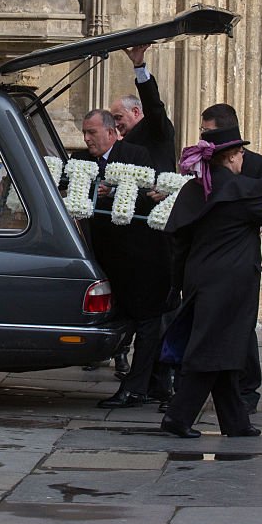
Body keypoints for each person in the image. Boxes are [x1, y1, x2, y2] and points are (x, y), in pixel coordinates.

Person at [158, 126, 262, 438]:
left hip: (200, 279)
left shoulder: (195, 190)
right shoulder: (241, 191)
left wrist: (176, 282)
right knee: (212, 351)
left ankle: (235, 422)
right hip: (231, 284)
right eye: (239, 153)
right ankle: (178, 417)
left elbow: (178, 241)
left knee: (225, 349)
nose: (242, 157)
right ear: (230, 157)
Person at [71, 110, 174, 406]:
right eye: (84, 132)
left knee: (148, 322)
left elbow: (148, 196)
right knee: (128, 320)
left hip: (143, 256)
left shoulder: (136, 155)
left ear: (112, 131)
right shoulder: (81, 160)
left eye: (92, 132)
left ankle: (136, 388)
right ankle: (155, 384)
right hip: (106, 258)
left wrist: (114, 192)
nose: (87, 138)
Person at [200, 102, 262, 413]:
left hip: (241, 258)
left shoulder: (256, 165)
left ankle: (247, 391)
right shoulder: (202, 163)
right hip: (207, 257)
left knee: (242, 329)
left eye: (208, 132)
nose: (203, 138)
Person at [111, 44, 177, 173]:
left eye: (118, 117)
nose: (116, 124)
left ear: (135, 112)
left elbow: (153, 105)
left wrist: (139, 66)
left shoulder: (153, 126)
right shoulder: (121, 142)